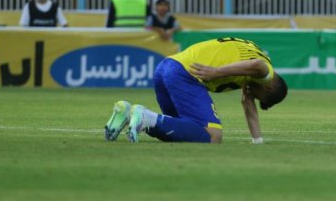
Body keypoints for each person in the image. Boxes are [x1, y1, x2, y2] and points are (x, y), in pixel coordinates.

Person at [104, 37, 288, 144]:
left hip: (166, 66)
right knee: (213, 136)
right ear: (269, 87)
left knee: (183, 131)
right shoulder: (266, 73)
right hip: (185, 74)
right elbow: (258, 65)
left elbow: (247, 105)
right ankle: (144, 116)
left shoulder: (252, 62)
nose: (252, 96)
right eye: (259, 97)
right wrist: (216, 72)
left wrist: (258, 141)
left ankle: (127, 114)